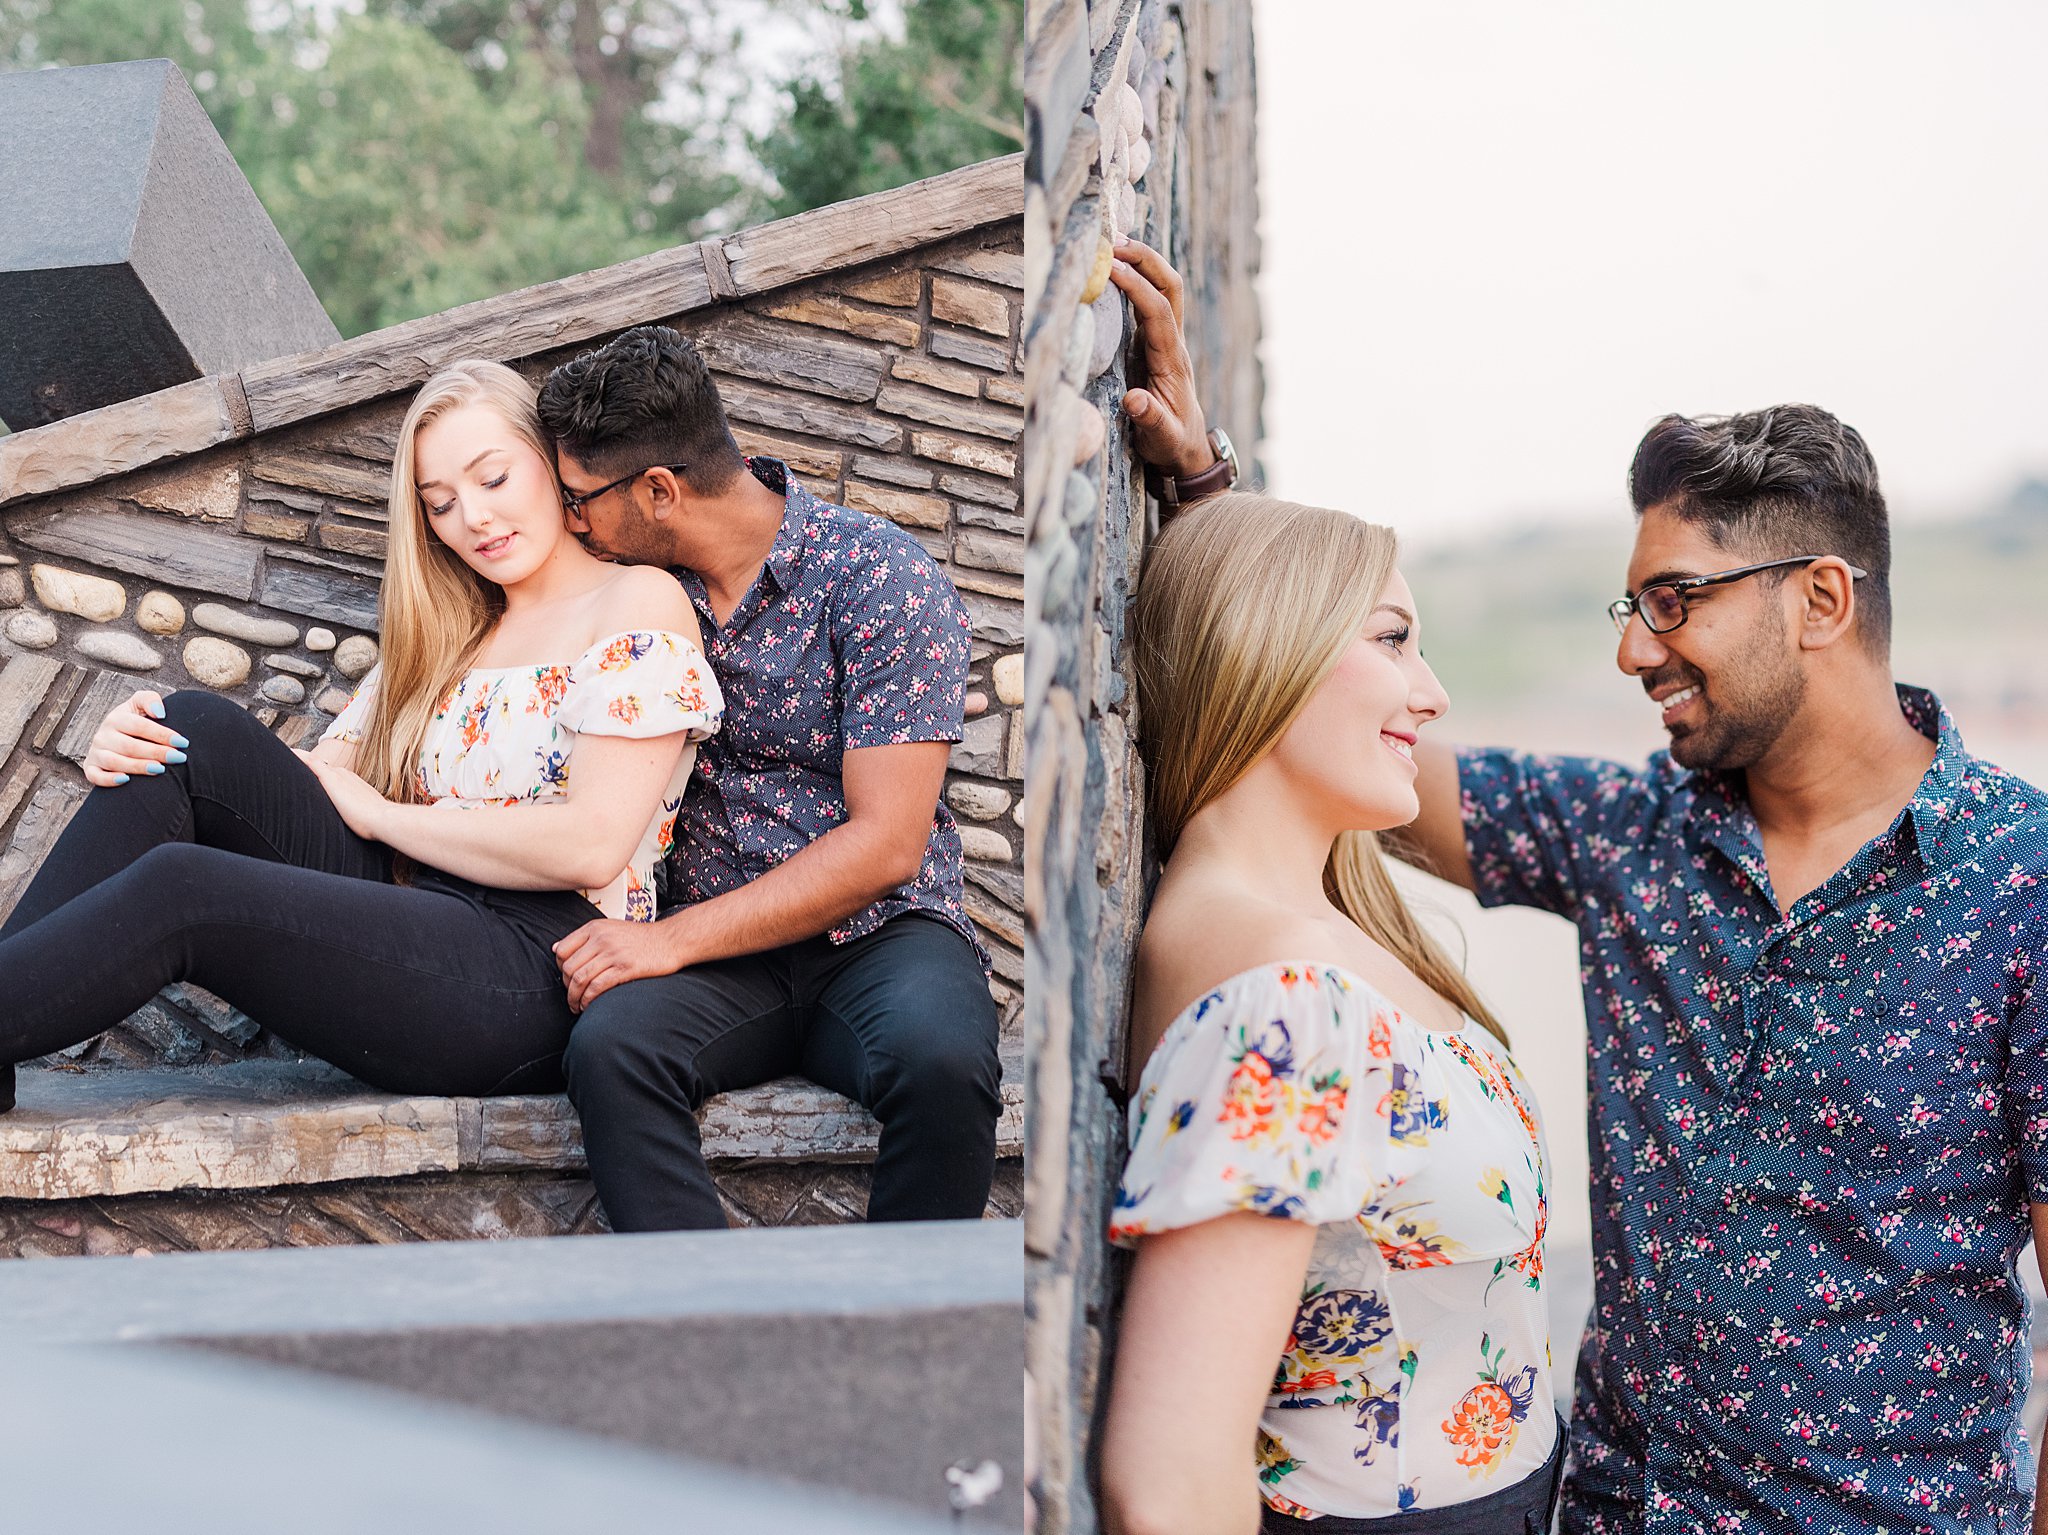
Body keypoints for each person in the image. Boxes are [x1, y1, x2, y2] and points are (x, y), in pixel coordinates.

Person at [1113, 235, 2048, 1533]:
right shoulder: (1626, 836)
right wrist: (1214, 497)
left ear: (1821, 599)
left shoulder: (2024, 885)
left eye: (1673, 600)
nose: (1632, 647)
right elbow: (1303, 724)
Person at [0, 359, 720, 1113]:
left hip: (539, 966)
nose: (472, 517)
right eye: (440, 503)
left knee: (185, 886)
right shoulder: (452, 631)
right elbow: (303, 784)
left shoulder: (636, 600)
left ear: (551, 466)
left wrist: (385, 817)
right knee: (190, 730)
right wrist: (132, 741)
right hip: (419, 914)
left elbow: (591, 844)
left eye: (494, 478)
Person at [1099, 492, 1562, 1535]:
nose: (1430, 692)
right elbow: (1168, 1478)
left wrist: (1204, 478)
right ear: (1263, 641)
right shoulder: (1286, 999)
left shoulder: (1324, 918)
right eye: (1393, 639)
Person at [528, 325, 1003, 1231]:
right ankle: (726, 1340)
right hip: (725, 965)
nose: (572, 520)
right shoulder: (628, 594)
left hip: (880, 938)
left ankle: (906, 1353)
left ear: (658, 490)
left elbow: (888, 843)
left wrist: (665, 943)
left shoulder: (880, 578)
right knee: (611, 1051)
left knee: (943, 1061)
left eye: (580, 498)